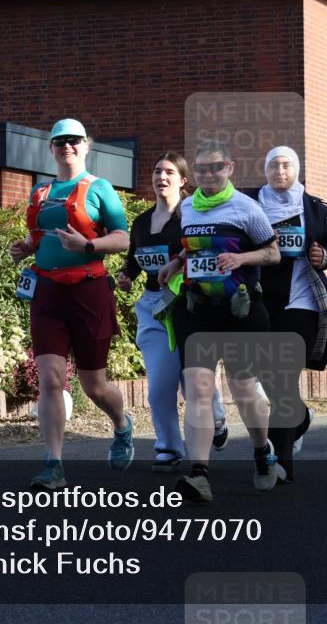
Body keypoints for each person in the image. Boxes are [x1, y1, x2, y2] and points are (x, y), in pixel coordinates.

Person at [9, 118, 134, 489]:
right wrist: (25, 249)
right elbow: (39, 237)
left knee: (93, 385)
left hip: (89, 291)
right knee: (49, 380)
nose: (67, 146)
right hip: (47, 292)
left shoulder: (100, 188)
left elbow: (123, 239)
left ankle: (122, 424)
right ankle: (53, 465)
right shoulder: (40, 192)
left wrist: (88, 246)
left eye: (74, 141)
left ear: (86, 146)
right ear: (51, 148)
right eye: (60, 141)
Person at [157, 140, 283, 503]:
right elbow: (191, 246)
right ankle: (199, 474)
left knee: (242, 388)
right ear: (193, 174)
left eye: (216, 167)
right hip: (197, 307)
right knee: (197, 386)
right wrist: (175, 263)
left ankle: (262, 451)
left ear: (229, 167)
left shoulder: (247, 208)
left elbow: (273, 252)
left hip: (240, 308)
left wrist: (241, 259)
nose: (208, 174)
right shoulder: (188, 207)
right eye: (201, 169)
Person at [116, 152, 229, 472]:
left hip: (188, 303)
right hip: (153, 307)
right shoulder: (140, 223)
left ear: (182, 181)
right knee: (160, 385)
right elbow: (133, 264)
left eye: (168, 172)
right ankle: (168, 447)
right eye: (156, 171)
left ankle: (215, 414)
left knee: (192, 379)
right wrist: (126, 278)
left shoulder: (191, 217)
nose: (160, 177)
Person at [248, 145, 327, 481]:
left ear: (297, 169)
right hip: (258, 300)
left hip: (301, 302)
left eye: (286, 165)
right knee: (268, 377)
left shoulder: (314, 208)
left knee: (284, 376)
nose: (280, 171)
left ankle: (279, 461)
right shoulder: (250, 203)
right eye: (273, 166)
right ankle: (299, 419)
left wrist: (322, 256)